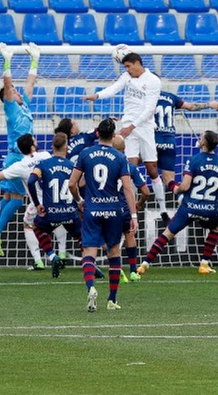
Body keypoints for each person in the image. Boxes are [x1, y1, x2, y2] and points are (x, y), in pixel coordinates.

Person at [139, 130, 218, 276]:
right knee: (216, 227)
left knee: (168, 233)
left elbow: (185, 186)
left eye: (201, 137)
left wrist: (173, 187)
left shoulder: (193, 160)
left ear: (202, 143)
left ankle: (145, 264)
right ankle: (204, 264)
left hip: (189, 207)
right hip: (209, 209)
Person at [83, 52, 168, 224]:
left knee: (152, 169)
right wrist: (97, 95)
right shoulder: (126, 76)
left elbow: (150, 108)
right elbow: (113, 88)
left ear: (137, 63)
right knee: (129, 169)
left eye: (129, 66)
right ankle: (130, 209)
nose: (127, 70)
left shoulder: (153, 80)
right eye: (125, 67)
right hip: (129, 126)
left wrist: (132, 126)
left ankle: (163, 210)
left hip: (144, 127)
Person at [69, 118, 138, 312]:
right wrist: (133, 216)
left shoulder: (85, 153)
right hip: (113, 211)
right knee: (114, 252)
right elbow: (127, 188)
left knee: (89, 252)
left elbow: (72, 184)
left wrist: (79, 201)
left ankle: (91, 287)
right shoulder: (120, 157)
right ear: (114, 135)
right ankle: (112, 300)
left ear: (97, 133)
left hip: (92, 210)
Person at [0, 42, 41, 257]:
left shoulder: (25, 105)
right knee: (16, 200)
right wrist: (7, 60)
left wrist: (35, 59)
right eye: (14, 91)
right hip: (17, 158)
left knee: (7, 199)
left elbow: (31, 84)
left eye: (16, 90)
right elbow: (7, 85)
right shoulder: (11, 107)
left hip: (18, 157)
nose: (17, 92)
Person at [0, 133, 51, 271]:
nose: (37, 142)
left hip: (38, 204)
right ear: (32, 147)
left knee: (28, 224)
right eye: (35, 141)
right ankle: (62, 254)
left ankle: (39, 261)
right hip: (55, 200)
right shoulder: (46, 156)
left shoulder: (20, 166)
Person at [27, 132, 83, 278]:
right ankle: (89, 263)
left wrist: (38, 204)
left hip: (50, 214)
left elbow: (31, 181)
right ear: (66, 147)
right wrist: (79, 201)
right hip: (70, 212)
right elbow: (81, 184)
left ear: (52, 147)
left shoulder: (43, 165)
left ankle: (52, 256)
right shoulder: (73, 166)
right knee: (82, 235)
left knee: (36, 227)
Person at [154, 91, 218, 186]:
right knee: (169, 180)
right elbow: (190, 106)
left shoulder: (145, 96)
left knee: (132, 169)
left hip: (151, 139)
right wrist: (209, 104)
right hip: (168, 141)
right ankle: (180, 198)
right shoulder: (170, 96)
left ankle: (131, 199)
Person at [112, 135, 150, 283]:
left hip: (107, 207)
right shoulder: (130, 167)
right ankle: (133, 271)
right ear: (125, 148)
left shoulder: (106, 163)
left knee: (107, 239)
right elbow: (146, 191)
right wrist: (138, 204)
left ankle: (117, 269)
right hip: (125, 208)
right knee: (130, 235)